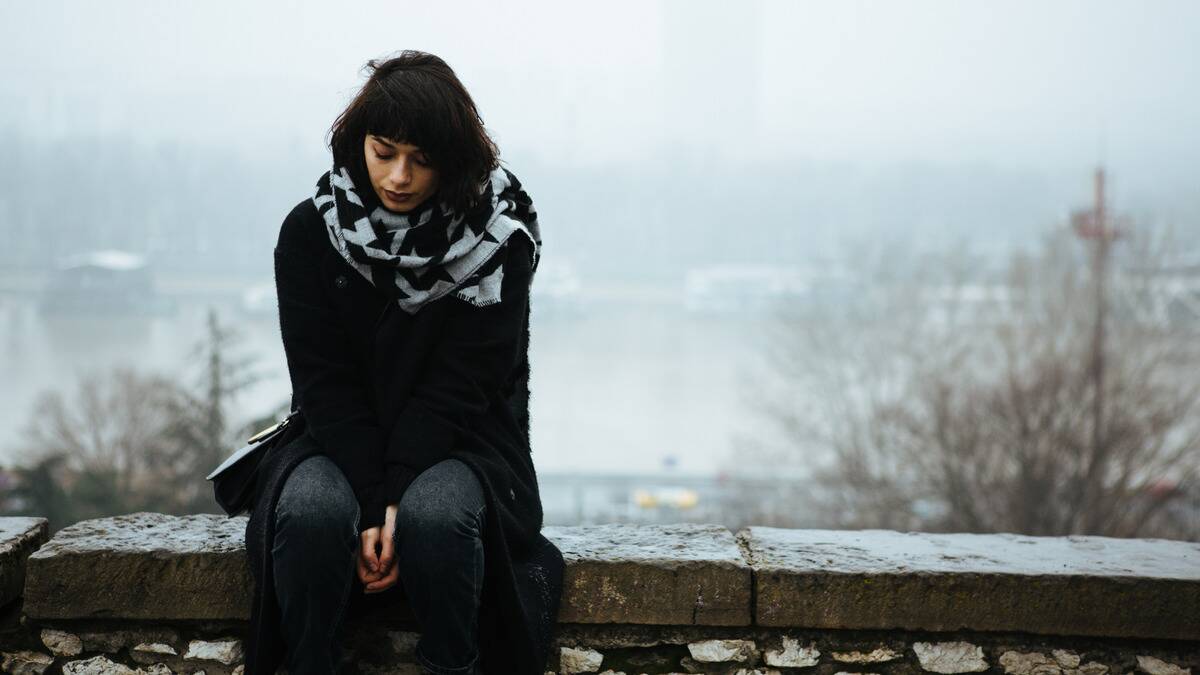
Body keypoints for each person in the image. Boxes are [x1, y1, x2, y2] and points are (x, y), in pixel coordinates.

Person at [242, 50, 564, 675]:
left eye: (422, 159)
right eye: (384, 150)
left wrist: (394, 502)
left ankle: (455, 665)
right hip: (334, 436)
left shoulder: (498, 242)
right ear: (356, 142)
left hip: (467, 440)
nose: (397, 176)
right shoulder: (310, 233)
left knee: (436, 519)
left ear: (455, 159)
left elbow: (465, 385)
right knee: (309, 515)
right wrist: (369, 501)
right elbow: (323, 381)